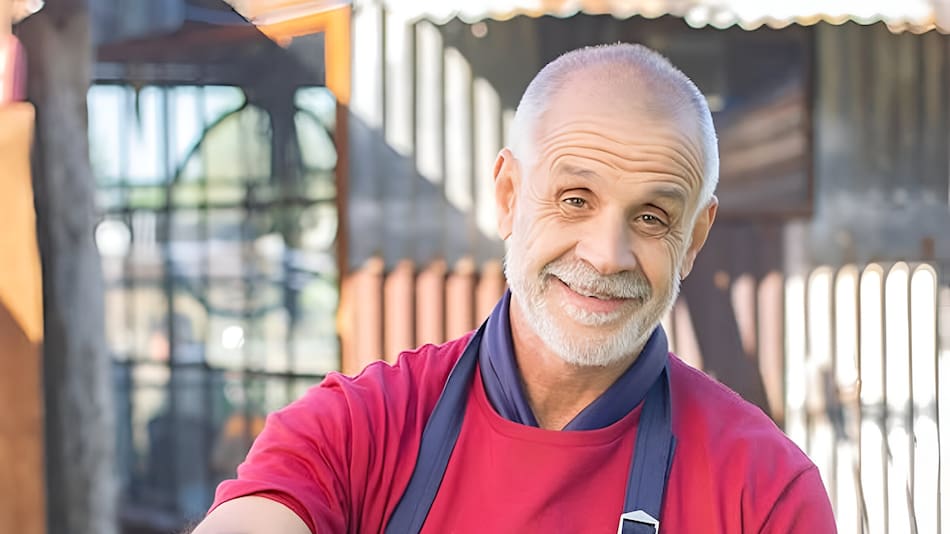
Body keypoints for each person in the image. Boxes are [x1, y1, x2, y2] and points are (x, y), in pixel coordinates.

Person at [192, 43, 837, 533]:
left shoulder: (765, 492)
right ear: (507, 196)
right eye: (575, 199)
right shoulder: (359, 432)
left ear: (694, 239)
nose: (607, 256)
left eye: (651, 217)